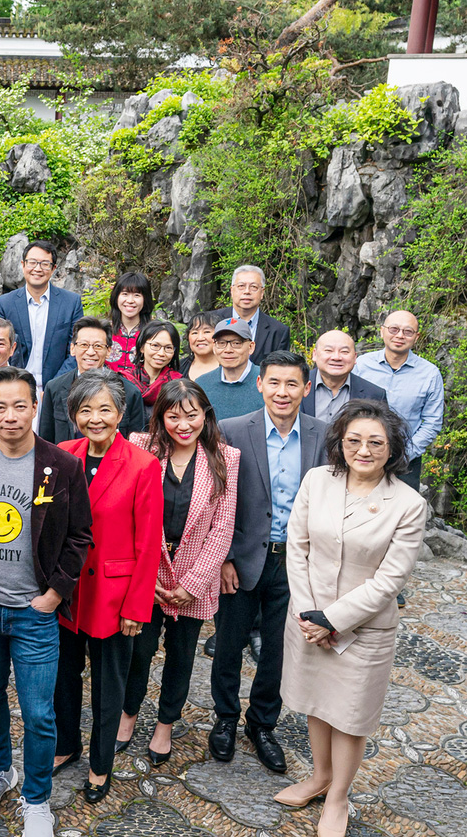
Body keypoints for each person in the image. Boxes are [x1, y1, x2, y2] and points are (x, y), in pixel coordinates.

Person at [277, 401, 426, 837]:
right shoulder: (317, 480)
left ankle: (338, 796)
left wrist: (334, 619)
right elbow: (297, 546)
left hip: (363, 630)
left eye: (375, 442)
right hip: (308, 619)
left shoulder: (408, 504)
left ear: (392, 447)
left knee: (350, 715)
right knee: (316, 704)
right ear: (340, 443)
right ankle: (319, 776)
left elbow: (389, 581)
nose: (364, 449)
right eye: (354, 440)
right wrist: (310, 615)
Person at [0, 366, 93, 837]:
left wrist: (55, 593)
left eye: (20, 406)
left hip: (34, 611)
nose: (10, 416)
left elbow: (79, 536)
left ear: (35, 407)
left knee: (38, 712)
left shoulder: (63, 465)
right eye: (0, 406)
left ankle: (37, 799)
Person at [210, 351, 328, 774]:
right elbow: (216, 498)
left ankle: (261, 725)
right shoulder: (231, 430)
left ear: (306, 388)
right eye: (274, 382)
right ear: (259, 384)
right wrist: (221, 557)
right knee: (228, 644)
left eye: (291, 384)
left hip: (295, 562)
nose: (282, 392)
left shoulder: (323, 435)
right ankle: (224, 719)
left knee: (279, 649)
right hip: (239, 559)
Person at [53, 369, 163, 804]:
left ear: (120, 413)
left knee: (107, 684)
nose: (95, 418)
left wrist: (138, 606)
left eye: (104, 409)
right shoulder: (62, 454)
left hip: (114, 597)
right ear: (73, 415)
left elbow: (149, 540)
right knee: (62, 676)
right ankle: (66, 744)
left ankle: (101, 765)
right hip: (67, 590)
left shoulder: (143, 465)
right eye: (85, 409)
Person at [119, 379, 239, 765]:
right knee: (137, 651)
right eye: (173, 416)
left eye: (192, 415)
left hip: (194, 579)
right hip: (146, 576)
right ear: (160, 417)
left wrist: (193, 583)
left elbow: (222, 527)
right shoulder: (141, 447)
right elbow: (127, 517)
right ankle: (128, 713)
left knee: (181, 655)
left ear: (205, 414)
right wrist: (144, 576)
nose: (183, 424)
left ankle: (165, 723)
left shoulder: (225, 457)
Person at [353, 310, 444, 491]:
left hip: (405, 462)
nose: (400, 336)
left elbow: (433, 422)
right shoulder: (361, 366)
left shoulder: (430, 374)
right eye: (394, 329)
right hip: (362, 455)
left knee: (404, 516)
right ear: (382, 331)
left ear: (416, 337)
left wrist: (407, 453)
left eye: (408, 331)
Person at [38, 317, 146, 444]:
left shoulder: (130, 392)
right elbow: (46, 440)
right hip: (66, 461)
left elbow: (136, 443)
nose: (90, 352)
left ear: (109, 351)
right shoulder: (54, 387)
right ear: (72, 348)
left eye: (98, 346)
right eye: (84, 345)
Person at [0, 240, 83, 388]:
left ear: (53, 268)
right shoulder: (5, 304)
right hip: (15, 386)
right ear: (23, 265)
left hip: (58, 388)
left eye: (44, 264)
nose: (37, 268)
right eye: (32, 262)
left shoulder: (71, 303)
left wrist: (53, 388)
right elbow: (0, 349)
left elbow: (76, 350)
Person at [208, 265, 290, 365]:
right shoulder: (211, 321)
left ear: (262, 293)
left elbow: (281, 370)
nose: (247, 291)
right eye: (241, 286)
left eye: (253, 287)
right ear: (232, 290)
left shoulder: (278, 331)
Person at [303, 330, 387, 425]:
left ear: (355, 357)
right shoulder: (297, 385)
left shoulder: (374, 395)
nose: (336, 357)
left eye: (344, 351)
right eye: (328, 350)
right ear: (314, 354)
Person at [194, 317, 263, 420]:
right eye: (221, 343)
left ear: (251, 347)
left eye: (236, 343)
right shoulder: (202, 384)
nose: (228, 350)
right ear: (214, 347)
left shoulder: (267, 380)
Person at [125, 320, 184, 411]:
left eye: (168, 348)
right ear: (142, 347)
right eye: (155, 346)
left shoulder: (178, 384)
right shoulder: (125, 381)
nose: (161, 353)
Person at [106, 272, 154, 376]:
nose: (130, 300)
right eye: (125, 294)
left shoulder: (153, 333)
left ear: (145, 299)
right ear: (116, 297)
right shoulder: (104, 330)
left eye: (137, 295)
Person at [178, 312, 219, 380]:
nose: (200, 338)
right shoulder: (178, 367)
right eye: (195, 333)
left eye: (206, 332)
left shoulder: (230, 367)